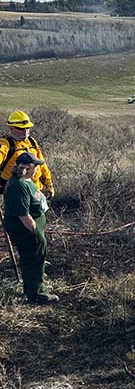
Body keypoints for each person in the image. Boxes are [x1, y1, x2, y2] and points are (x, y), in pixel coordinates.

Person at [3, 151, 59, 304]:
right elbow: (23, 214)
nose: (37, 169)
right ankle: (37, 295)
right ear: (28, 167)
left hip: (32, 229)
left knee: (35, 259)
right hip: (27, 231)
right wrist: (35, 231)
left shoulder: (25, 181)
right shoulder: (18, 185)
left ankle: (35, 290)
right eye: (36, 166)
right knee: (32, 260)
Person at [0, 110, 54, 198]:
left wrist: (49, 184)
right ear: (12, 128)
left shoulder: (32, 142)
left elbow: (42, 165)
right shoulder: (5, 144)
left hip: (35, 190)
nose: (25, 131)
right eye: (21, 128)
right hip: (15, 192)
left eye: (27, 127)